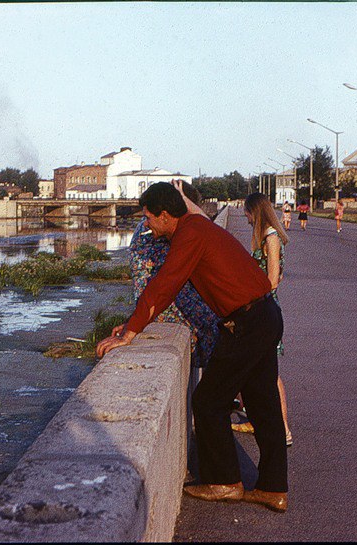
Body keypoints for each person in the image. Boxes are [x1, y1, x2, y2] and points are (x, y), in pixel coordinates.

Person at [97, 182, 288, 513]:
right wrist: (132, 322)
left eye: (149, 218)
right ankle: (273, 489)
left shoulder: (190, 234)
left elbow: (165, 284)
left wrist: (129, 334)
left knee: (208, 401)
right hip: (265, 315)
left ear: (166, 215)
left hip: (247, 322)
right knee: (264, 406)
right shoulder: (196, 227)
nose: (146, 225)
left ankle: (225, 482)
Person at [129, 182, 218, 369]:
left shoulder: (150, 223)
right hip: (166, 308)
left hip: (151, 304)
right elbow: (209, 230)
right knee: (214, 329)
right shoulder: (156, 228)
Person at [231, 193, 292, 447]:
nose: (244, 217)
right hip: (260, 308)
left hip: (264, 310)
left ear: (254, 211)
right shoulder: (264, 236)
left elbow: (272, 280)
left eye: (246, 212)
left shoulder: (271, 237)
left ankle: (284, 429)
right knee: (257, 369)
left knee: (271, 373)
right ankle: (256, 419)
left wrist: (249, 302)